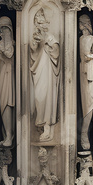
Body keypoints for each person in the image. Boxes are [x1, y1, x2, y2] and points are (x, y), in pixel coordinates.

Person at [29, 9, 60, 142]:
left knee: (47, 97)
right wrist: (36, 43)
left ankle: (47, 126)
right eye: (38, 22)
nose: (40, 25)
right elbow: (33, 51)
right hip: (38, 71)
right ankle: (40, 124)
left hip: (48, 71)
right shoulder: (34, 36)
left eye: (42, 22)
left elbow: (56, 52)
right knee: (38, 96)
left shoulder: (51, 37)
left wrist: (46, 42)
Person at [0, 17, 15, 147]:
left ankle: (10, 134)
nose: (4, 32)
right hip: (2, 76)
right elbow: (6, 54)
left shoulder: (12, 43)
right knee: (4, 104)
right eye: (2, 29)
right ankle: (7, 134)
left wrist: (9, 41)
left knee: (10, 103)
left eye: (6, 29)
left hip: (11, 77)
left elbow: (9, 54)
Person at [78, 15, 93, 152]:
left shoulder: (91, 39)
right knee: (86, 103)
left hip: (91, 73)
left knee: (90, 102)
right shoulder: (81, 39)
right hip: (83, 71)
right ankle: (84, 133)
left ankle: (85, 132)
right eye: (80, 23)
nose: (81, 25)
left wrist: (90, 56)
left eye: (83, 23)